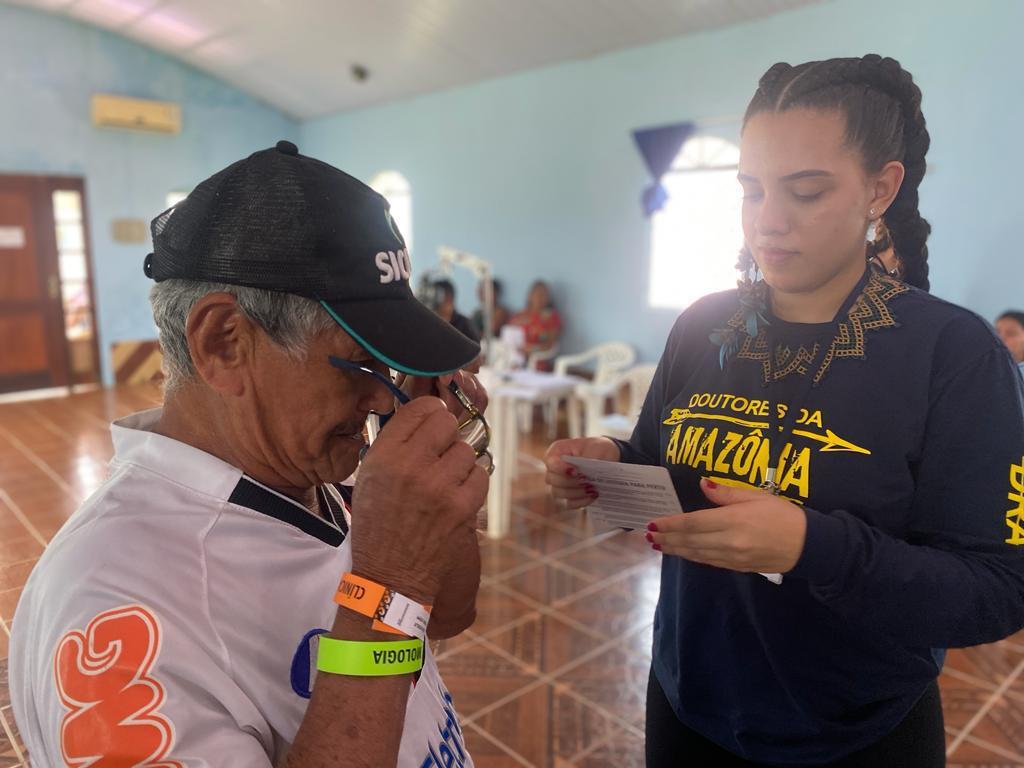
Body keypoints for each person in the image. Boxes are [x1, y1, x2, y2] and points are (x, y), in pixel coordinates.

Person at [545, 55, 1024, 767]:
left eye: (805, 192)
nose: (768, 221)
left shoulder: (954, 354)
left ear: (879, 189)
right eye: (751, 190)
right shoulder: (702, 325)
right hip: (688, 703)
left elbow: (997, 588)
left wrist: (813, 547)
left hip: (855, 733)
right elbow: (663, 462)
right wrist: (613, 465)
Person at [10, 141, 489, 767]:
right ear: (224, 342)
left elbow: (446, 613)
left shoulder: (301, 472)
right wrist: (386, 585)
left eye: (393, 362)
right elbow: (401, 602)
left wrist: (433, 509)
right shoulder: (112, 601)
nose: (382, 395)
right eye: (360, 361)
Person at [511, 280, 562, 366]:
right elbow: (508, 335)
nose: (541, 298)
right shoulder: (520, 315)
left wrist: (531, 349)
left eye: (545, 295)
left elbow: (550, 344)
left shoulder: (551, 318)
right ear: (530, 296)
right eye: (538, 294)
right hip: (513, 356)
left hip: (536, 358)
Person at [432, 278, 481, 343]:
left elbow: (474, 350)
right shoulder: (431, 322)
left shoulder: (465, 325)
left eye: (436, 296)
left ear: (449, 297)